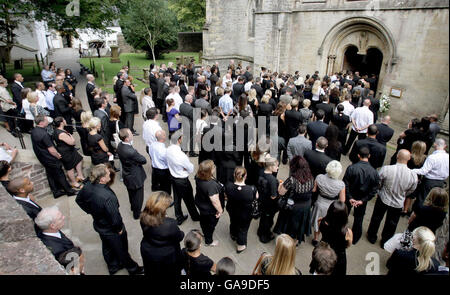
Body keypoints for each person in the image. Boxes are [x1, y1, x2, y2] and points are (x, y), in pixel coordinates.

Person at [83, 164, 144, 275]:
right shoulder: (107, 196)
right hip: (110, 228)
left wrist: (92, 211)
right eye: (107, 172)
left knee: (107, 246)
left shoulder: (88, 185)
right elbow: (114, 216)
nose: (109, 172)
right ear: (102, 179)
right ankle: (133, 269)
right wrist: (119, 228)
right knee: (121, 250)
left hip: (99, 224)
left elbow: (79, 200)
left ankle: (112, 266)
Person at [367, 150, 418, 247]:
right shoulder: (412, 175)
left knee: (376, 218)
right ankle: (385, 240)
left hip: (383, 197)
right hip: (398, 202)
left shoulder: (386, 169)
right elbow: (411, 190)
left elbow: (378, 182)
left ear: (397, 156)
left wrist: (380, 190)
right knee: (392, 223)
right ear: (409, 159)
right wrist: (403, 194)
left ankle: (372, 236)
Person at [31, 115, 76, 198]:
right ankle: (69, 191)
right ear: (41, 122)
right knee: (60, 174)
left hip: (42, 157)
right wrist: (57, 155)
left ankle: (56, 191)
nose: (47, 120)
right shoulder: (44, 134)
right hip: (50, 158)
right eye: (45, 119)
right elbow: (51, 149)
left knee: (50, 175)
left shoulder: (34, 131)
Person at [140, 191, 184, 276]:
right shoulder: (169, 224)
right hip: (166, 255)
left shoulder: (143, 216)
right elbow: (179, 236)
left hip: (148, 250)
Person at [274, 156, 314, 246]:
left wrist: (280, 184)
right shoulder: (311, 178)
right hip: (306, 206)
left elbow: (281, 192)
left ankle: (286, 243)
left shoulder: (292, 180)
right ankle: (295, 241)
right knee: (299, 225)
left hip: (293, 206)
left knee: (289, 225)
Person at [343, 147, 379, 244]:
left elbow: (345, 184)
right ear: (369, 156)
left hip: (350, 196)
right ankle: (355, 238)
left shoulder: (351, 168)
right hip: (362, 199)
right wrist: (363, 200)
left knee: (344, 215)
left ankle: (342, 233)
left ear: (358, 155)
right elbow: (374, 190)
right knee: (359, 219)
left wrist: (349, 197)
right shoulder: (374, 172)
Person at [35, 206, 85, 274]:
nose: (64, 217)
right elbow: (69, 268)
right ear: (52, 225)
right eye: (60, 218)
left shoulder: (50, 230)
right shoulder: (57, 249)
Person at [167, 135, 201, 225]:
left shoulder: (169, 149)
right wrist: (185, 168)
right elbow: (191, 168)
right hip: (182, 180)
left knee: (177, 198)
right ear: (179, 140)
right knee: (189, 199)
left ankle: (179, 217)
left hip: (173, 177)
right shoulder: (181, 156)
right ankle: (195, 216)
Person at [311, 161, 346, 245]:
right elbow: (342, 200)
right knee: (329, 223)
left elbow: (314, 190)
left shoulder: (319, 177)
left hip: (320, 202)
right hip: (332, 205)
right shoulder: (341, 184)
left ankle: (315, 238)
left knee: (317, 221)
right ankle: (324, 240)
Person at [225, 167, 257, 253]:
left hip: (232, 209)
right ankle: (240, 245)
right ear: (245, 176)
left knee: (233, 221)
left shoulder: (228, 186)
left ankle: (233, 234)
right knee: (243, 228)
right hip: (245, 213)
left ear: (234, 175)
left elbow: (226, 196)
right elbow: (256, 198)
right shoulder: (251, 189)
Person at [117, 128, 147, 220]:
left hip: (127, 174)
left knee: (131, 194)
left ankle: (133, 207)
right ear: (126, 139)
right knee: (138, 197)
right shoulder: (131, 151)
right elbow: (143, 160)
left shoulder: (120, 145)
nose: (132, 135)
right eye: (130, 134)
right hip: (135, 177)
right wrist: (136, 153)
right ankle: (137, 213)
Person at [412, 138, 449, 208]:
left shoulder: (432, 157)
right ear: (445, 146)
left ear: (435, 144)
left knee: (422, 199)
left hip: (429, 182)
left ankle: (417, 214)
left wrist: (411, 170)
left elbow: (423, 171)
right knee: (434, 200)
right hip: (441, 182)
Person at [318, 200, 353, 275]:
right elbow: (348, 245)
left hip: (324, 251)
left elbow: (321, 231)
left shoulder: (321, 221)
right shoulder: (347, 232)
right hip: (339, 257)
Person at [195, 160, 224, 247]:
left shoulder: (198, 176)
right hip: (209, 209)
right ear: (209, 171)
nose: (215, 167)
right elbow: (215, 201)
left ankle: (204, 231)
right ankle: (209, 241)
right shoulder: (211, 186)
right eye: (213, 166)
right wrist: (220, 210)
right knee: (211, 225)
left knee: (203, 220)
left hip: (201, 203)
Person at [52, 117, 85, 189]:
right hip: (65, 152)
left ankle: (80, 175)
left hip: (70, 150)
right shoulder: (60, 133)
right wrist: (71, 136)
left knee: (79, 159)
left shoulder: (59, 130)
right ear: (61, 122)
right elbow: (72, 142)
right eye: (64, 120)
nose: (65, 120)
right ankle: (74, 182)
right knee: (70, 168)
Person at [256, 157, 280, 243]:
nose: (277, 167)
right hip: (269, 204)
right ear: (270, 167)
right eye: (277, 166)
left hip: (262, 200)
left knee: (263, 218)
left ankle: (260, 231)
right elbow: (274, 196)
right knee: (268, 220)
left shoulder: (261, 172)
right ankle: (264, 236)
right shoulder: (273, 180)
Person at [148, 130, 171, 194]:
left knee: (155, 184)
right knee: (166, 188)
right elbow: (167, 161)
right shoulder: (163, 150)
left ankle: (155, 189)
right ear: (163, 137)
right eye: (165, 134)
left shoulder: (152, 145)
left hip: (154, 168)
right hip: (163, 171)